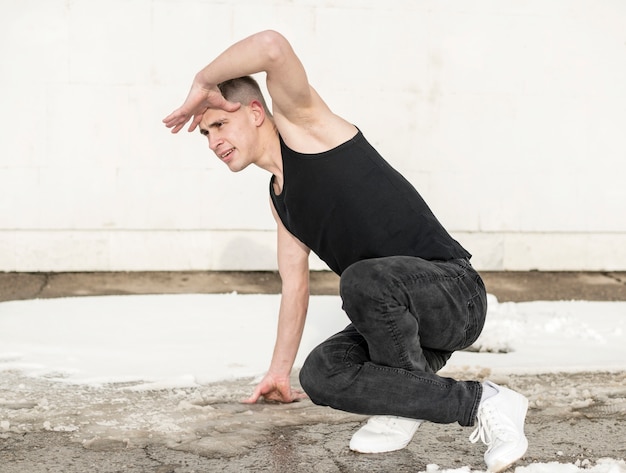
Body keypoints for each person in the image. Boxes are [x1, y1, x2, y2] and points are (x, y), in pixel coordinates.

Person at [163, 30, 528, 472]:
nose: (213, 141)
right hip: (398, 322)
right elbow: (294, 288)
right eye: (204, 134)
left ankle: (480, 404)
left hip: (455, 295)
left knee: (363, 279)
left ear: (256, 112)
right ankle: (418, 402)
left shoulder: (306, 127)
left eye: (218, 124)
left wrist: (203, 81)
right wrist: (279, 372)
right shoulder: (280, 198)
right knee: (321, 373)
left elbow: (273, 47)